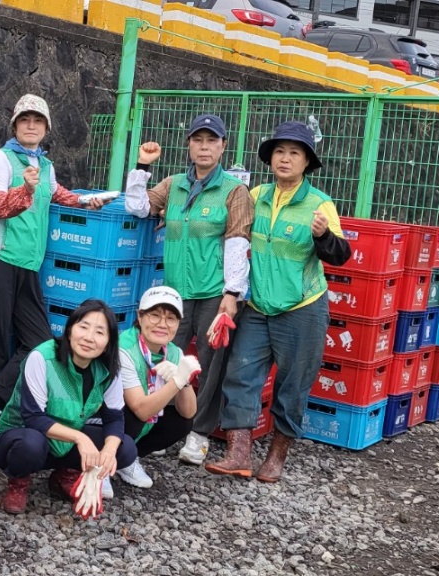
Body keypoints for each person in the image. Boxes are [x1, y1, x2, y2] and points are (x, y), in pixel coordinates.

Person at [205, 121, 352, 483]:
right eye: (279, 152)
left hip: (302, 309)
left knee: (293, 383)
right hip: (257, 305)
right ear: (270, 158)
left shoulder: (320, 204)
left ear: (306, 162)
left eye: (294, 153)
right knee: (240, 375)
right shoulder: (255, 195)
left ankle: (276, 455)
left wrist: (322, 235)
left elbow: (340, 255)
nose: (285, 159)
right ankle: (238, 453)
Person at [124, 114, 253, 466]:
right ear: (189, 145)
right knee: (164, 358)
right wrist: (141, 166)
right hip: (175, 294)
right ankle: (161, 423)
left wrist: (232, 293)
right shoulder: (174, 184)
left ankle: (198, 432)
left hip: (214, 292)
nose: (204, 147)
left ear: (223, 146)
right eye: (198, 140)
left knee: (210, 364)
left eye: (212, 141)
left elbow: (238, 241)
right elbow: (136, 207)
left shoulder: (233, 191)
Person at [0, 94, 108, 409]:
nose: (30, 125)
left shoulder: (45, 165)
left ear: (46, 128)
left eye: (37, 120)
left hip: (28, 265)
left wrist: (89, 201)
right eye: (24, 120)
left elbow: (58, 194)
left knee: (40, 342)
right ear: (15, 125)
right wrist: (26, 189)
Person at [0, 299, 136, 519]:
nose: (89, 337)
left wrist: (108, 450)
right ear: (69, 330)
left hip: (66, 439)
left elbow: (114, 418)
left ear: (108, 343)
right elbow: (33, 418)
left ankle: (65, 475)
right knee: (30, 444)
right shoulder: (42, 357)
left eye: (100, 332)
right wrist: (80, 438)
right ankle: (19, 480)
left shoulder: (109, 369)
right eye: (83, 326)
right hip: (20, 435)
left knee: (124, 449)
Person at [115, 286, 202, 489]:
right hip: (102, 420)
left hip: (139, 415)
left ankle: (127, 457)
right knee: (136, 414)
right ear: (140, 316)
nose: (162, 324)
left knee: (181, 423)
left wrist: (185, 381)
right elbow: (141, 408)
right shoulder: (124, 348)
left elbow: (189, 412)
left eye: (171, 318)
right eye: (154, 315)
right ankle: (102, 460)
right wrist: (177, 381)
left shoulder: (174, 352)